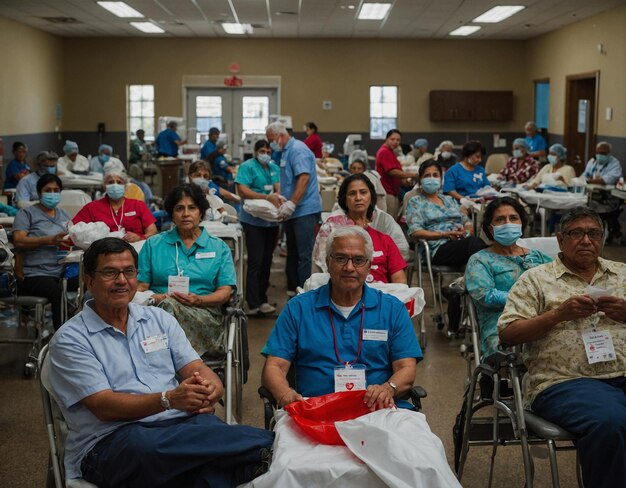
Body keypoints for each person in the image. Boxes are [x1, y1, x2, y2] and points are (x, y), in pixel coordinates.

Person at [46, 237, 274, 487]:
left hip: (179, 425)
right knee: (148, 448)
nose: (122, 280)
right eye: (110, 272)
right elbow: (104, 406)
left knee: (200, 441)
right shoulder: (71, 339)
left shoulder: (158, 319)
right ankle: (269, 444)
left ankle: (247, 458)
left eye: (129, 271)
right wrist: (170, 399)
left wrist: (210, 390)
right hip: (113, 440)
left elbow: (197, 369)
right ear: (89, 280)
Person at [498, 207, 626, 488]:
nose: (586, 240)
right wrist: (558, 315)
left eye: (593, 233)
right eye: (576, 233)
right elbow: (508, 333)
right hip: (564, 382)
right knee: (611, 422)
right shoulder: (535, 280)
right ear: (560, 239)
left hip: (622, 375)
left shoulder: (622, 274)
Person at [262, 226, 422, 409]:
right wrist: (285, 395)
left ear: (369, 265)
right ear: (327, 262)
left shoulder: (392, 310)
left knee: (420, 438)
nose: (349, 267)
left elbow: (406, 368)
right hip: (314, 410)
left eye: (358, 260)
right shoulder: (298, 309)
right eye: (340, 258)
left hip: (378, 410)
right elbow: (274, 366)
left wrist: (389, 388)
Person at [138, 183, 237, 358]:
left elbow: (225, 292)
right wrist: (155, 298)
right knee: (164, 307)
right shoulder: (153, 245)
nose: (185, 214)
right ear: (172, 214)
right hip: (156, 312)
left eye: (192, 208)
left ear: (201, 212)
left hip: (204, 315)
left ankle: (159, 360)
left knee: (168, 308)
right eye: (179, 208)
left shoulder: (218, 247)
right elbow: (141, 287)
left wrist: (199, 300)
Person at [465, 197, 552, 358]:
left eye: (513, 218)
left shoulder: (538, 257)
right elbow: (485, 296)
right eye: (500, 219)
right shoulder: (480, 260)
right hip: (502, 323)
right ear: (491, 229)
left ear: (521, 223)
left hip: (543, 317)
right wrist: (526, 300)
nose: (507, 223)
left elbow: (559, 280)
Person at [406, 159, 486, 330]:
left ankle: (459, 292)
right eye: (427, 175)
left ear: (441, 179)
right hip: (437, 248)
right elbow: (415, 232)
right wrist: (445, 234)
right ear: (420, 180)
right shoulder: (416, 202)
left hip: (459, 243)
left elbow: (467, 222)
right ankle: (484, 290)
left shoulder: (449, 200)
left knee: (474, 243)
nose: (432, 178)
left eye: (435, 175)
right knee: (476, 245)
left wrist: (464, 230)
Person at [313, 173, 408, 284]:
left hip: (382, 293)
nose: (358, 198)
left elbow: (399, 278)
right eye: (352, 193)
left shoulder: (383, 232)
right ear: (345, 199)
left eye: (363, 192)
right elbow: (326, 270)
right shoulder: (332, 228)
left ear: (371, 197)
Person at [13, 173, 76, 330]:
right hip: (33, 274)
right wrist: (48, 240)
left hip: (60, 271)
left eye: (56, 190)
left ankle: (81, 330)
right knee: (57, 293)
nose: (52, 194)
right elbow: (19, 240)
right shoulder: (27, 214)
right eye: (48, 190)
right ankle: (61, 337)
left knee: (89, 283)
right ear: (39, 193)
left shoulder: (64, 215)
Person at [266, 121, 322, 295]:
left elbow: (303, 179)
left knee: (303, 255)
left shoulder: (298, 150)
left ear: (279, 136)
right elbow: (288, 180)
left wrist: (292, 203)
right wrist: (283, 199)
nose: (270, 144)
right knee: (293, 252)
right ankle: (292, 289)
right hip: (294, 210)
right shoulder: (286, 151)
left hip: (304, 210)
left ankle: (304, 293)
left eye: (271, 140)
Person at [235, 140, 281, 315]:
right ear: (255, 152)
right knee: (256, 261)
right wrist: (265, 197)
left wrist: (277, 194)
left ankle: (263, 299)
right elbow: (242, 190)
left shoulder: (273, 167)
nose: (266, 154)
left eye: (268, 151)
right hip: (253, 221)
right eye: (262, 151)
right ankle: (253, 302)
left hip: (271, 221)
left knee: (267, 261)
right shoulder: (247, 167)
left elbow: (277, 186)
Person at [72, 167, 156, 243]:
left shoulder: (138, 205)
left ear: (125, 186)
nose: (115, 185)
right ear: (104, 186)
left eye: (119, 182)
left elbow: (152, 231)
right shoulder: (91, 208)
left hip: (136, 249)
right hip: (103, 252)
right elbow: (74, 229)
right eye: (110, 182)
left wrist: (140, 237)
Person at [582, 141, 624, 241]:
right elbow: (584, 175)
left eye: (604, 153)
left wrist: (590, 180)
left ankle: (606, 233)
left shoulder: (614, 163)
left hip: (608, 198)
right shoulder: (592, 161)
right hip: (592, 194)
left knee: (599, 212)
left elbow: (607, 180)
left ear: (609, 153)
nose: (600, 155)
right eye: (598, 152)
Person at [375, 129, 418, 218]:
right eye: (392, 139)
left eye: (398, 140)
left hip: (392, 190)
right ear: (386, 139)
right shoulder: (384, 152)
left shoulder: (390, 152)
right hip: (387, 191)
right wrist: (414, 175)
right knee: (389, 219)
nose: (395, 142)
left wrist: (403, 181)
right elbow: (392, 172)